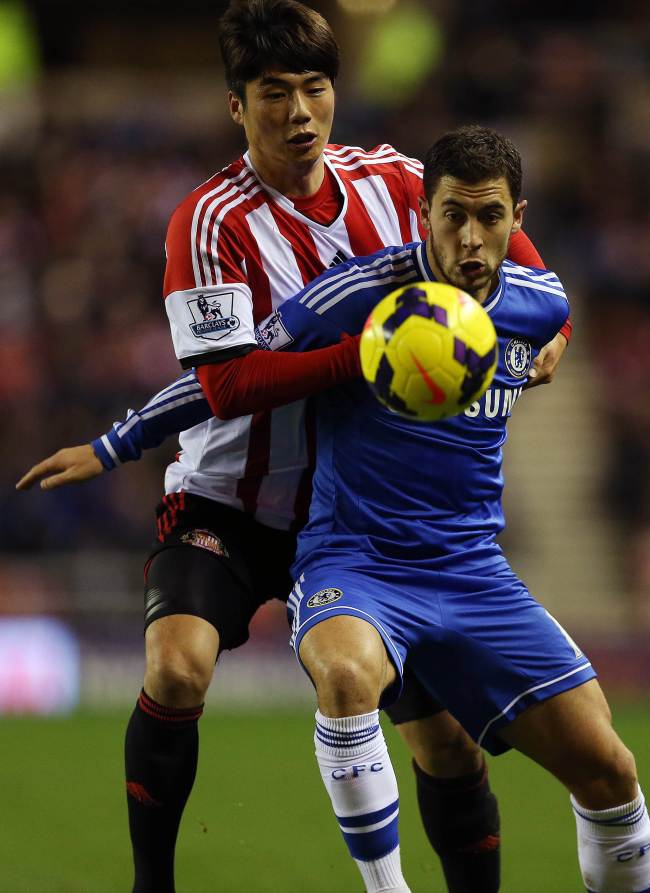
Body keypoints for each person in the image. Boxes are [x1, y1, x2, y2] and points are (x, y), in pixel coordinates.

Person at [17, 4, 570, 892]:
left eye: (315, 88)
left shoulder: (397, 179)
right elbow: (229, 386)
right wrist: (376, 354)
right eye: (274, 93)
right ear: (238, 106)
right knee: (177, 663)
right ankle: (150, 882)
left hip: (360, 511)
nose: (300, 111)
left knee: (448, 741)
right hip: (232, 500)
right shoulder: (207, 223)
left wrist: (554, 327)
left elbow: (512, 254)